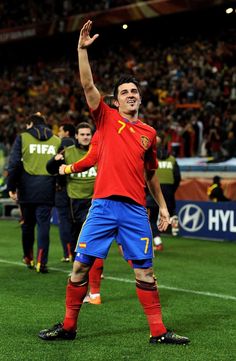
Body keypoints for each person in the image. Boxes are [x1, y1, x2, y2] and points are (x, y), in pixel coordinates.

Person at [39, 20, 189, 345]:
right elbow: (88, 85)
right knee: (79, 269)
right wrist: (81, 50)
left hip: (136, 211)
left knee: (146, 274)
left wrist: (162, 208)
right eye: (125, 92)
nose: (131, 95)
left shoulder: (149, 134)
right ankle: (68, 327)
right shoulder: (105, 118)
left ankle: (159, 332)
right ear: (116, 101)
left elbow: (150, 174)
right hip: (103, 207)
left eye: (135, 91)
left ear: (140, 98)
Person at [47, 124, 103, 305]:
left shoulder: (99, 149)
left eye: (88, 134)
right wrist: (55, 161)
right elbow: (51, 168)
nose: (86, 137)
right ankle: (87, 283)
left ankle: (94, 290)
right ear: (76, 136)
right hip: (74, 202)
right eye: (83, 134)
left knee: (91, 245)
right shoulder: (67, 151)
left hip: (95, 202)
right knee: (79, 243)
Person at [7, 112, 61, 273]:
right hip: (47, 188)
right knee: (44, 226)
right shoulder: (56, 140)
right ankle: (41, 262)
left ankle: (28, 257)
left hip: (26, 188)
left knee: (28, 226)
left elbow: (14, 164)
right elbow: (60, 165)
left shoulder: (23, 137)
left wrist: (11, 187)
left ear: (30, 124)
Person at [146, 144, 181, 251]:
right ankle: (173, 216)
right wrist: (172, 190)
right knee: (169, 208)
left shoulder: (153, 159)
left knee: (151, 219)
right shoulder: (172, 160)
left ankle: (158, 243)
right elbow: (177, 177)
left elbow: (148, 176)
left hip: (154, 191)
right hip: (169, 189)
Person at [51, 123, 75, 262]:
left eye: (60, 130)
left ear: (66, 132)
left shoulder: (61, 146)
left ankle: (67, 253)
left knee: (64, 221)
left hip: (62, 189)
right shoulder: (78, 147)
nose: (58, 132)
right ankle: (78, 252)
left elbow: (54, 167)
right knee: (77, 222)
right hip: (77, 189)